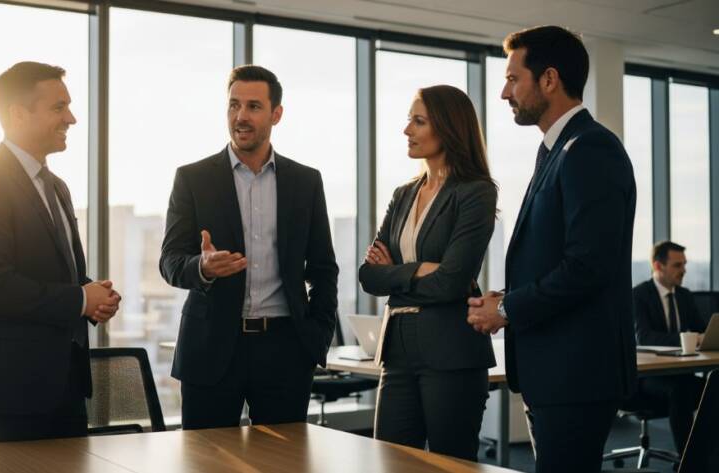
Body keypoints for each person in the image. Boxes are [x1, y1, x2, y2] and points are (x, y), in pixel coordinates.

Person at [465, 26, 637, 473]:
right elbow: (557, 257)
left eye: (513, 78)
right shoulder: (558, 149)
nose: (504, 92)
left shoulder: (590, 148)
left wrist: (507, 310)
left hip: (576, 373)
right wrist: (506, 298)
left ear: (549, 79)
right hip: (554, 371)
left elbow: (587, 266)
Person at [159, 65, 338, 429]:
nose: (241, 116)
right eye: (234, 105)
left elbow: (323, 268)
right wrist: (202, 267)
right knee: (206, 456)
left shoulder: (306, 182)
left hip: (285, 350)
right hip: (210, 348)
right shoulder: (193, 178)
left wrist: (316, 336)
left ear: (276, 114)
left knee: (285, 458)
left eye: (254, 106)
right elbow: (170, 261)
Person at [0, 62, 121, 443]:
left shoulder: (57, 186)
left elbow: (62, 276)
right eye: (59, 107)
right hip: (14, 392)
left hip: (67, 385)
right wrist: (80, 299)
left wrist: (95, 297)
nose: (71, 118)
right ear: (17, 114)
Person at [358, 85, 497, 461]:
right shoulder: (403, 194)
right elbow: (368, 276)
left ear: (449, 128)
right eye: (409, 120)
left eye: (418, 121)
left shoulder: (476, 192)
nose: (407, 130)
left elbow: (452, 282)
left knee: (451, 463)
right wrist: (419, 269)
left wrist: (395, 274)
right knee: (391, 461)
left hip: (450, 350)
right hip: (397, 349)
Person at [633, 241, 706, 454]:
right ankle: (689, 460)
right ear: (658, 266)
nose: (684, 270)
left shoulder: (684, 296)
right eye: (677, 265)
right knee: (680, 390)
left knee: (712, 387)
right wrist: (689, 339)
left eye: (684, 264)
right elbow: (644, 337)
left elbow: (702, 331)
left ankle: (708, 454)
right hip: (647, 378)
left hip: (680, 372)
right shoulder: (638, 295)